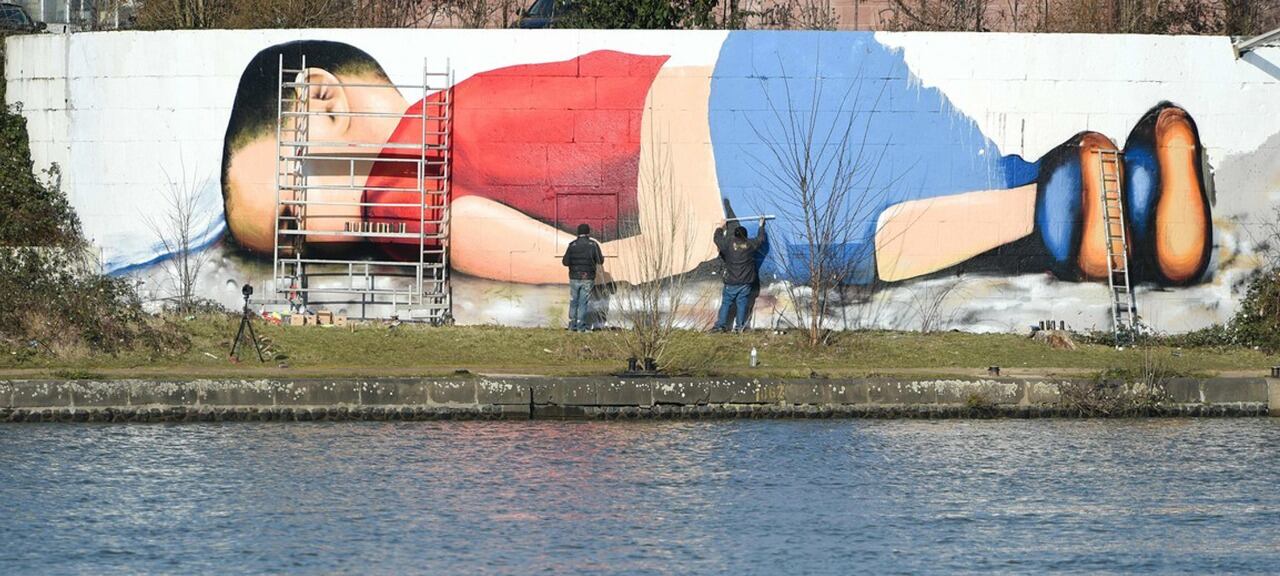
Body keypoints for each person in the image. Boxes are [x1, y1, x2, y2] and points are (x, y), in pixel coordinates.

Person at [220, 36, 1212, 291]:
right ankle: (1119, 175)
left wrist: (622, 262)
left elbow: (488, 236)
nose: (321, 238)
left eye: (299, 211)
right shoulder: (464, 102)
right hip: (753, 78)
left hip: (723, 164)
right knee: (961, 175)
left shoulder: (406, 169)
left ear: (320, 102)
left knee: (863, 242)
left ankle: (1069, 208)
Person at [712, 217, 766, 332]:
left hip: (731, 281)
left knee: (726, 303)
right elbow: (761, 239)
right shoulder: (750, 244)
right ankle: (739, 328)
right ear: (745, 236)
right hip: (746, 281)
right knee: (742, 304)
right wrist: (761, 226)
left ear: (735, 235)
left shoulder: (728, 244)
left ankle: (720, 326)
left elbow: (717, 239)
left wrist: (721, 227)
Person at [562, 224, 604, 331]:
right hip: (588, 277)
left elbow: (565, 262)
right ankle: (581, 328)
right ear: (588, 233)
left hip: (574, 277)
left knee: (573, 301)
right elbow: (600, 261)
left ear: (578, 232)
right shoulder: (593, 245)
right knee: (583, 303)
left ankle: (572, 326)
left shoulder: (572, 245)